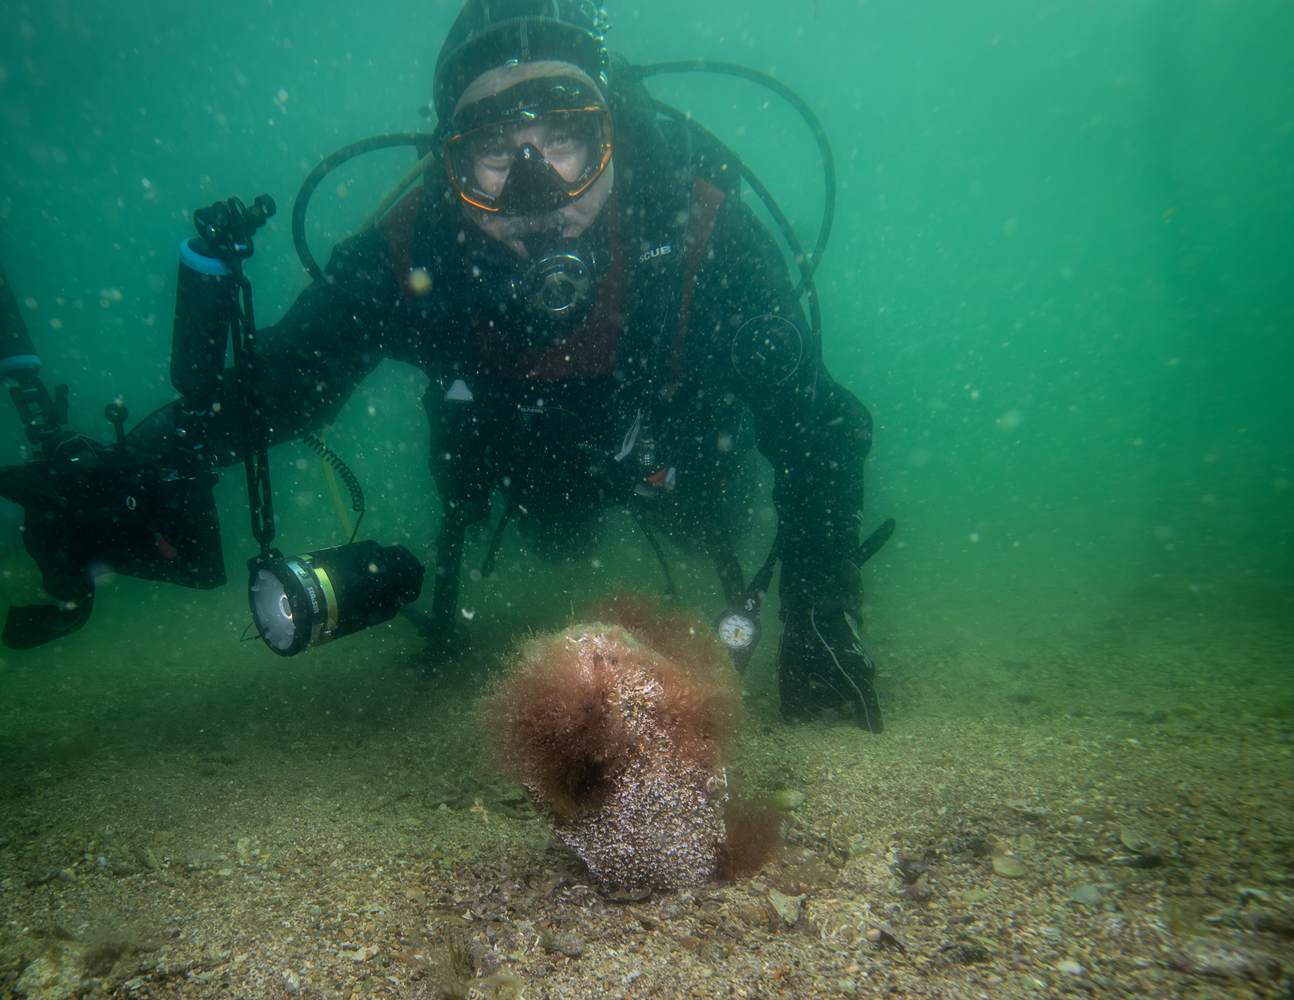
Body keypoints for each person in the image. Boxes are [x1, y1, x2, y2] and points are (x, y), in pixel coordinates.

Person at [130, 0, 884, 732]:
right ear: (449, 162)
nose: (535, 189)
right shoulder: (411, 246)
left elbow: (819, 425)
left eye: (565, 137)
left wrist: (825, 614)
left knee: (710, 508)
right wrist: (137, 466)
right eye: (493, 151)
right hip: (516, 472)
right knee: (558, 534)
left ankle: (701, 505)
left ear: (611, 137)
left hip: (680, 460)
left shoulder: (701, 230)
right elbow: (285, 383)